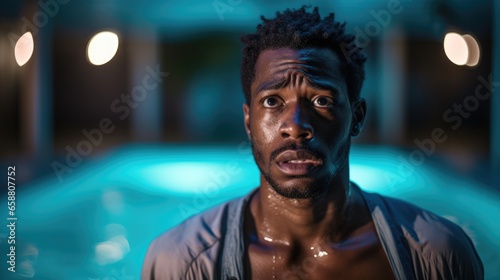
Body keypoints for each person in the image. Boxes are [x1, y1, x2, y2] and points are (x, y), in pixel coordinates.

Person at [142, 6, 484, 280]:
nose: (296, 127)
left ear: (357, 117)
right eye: (273, 102)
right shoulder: (180, 261)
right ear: (248, 121)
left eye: (321, 101)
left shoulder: (436, 255)